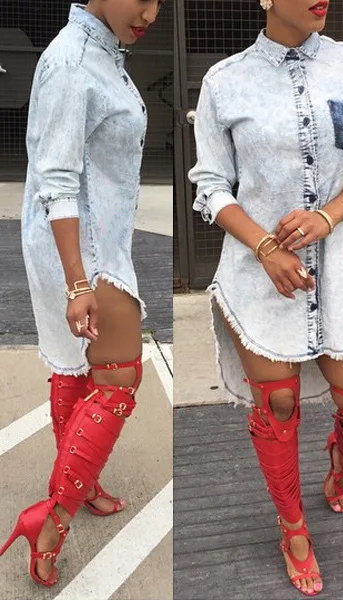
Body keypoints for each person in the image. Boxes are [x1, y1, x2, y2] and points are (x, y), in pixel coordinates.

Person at [189, 0, 343, 595]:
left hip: (341, 267)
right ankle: (293, 530)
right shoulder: (225, 81)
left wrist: (328, 216)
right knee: (278, 405)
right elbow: (210, 184)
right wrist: (264, 246)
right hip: (258, 273)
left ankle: (340, 465)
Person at [0, 0, 164, 587]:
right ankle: (51, 520)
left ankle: (80, 480)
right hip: (80, 249)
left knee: (76, 369)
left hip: (85, 242)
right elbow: (57, 177)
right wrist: (76, 281)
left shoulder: (102, 52)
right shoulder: (73, 62)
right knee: (119, 378)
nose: (151, 13)